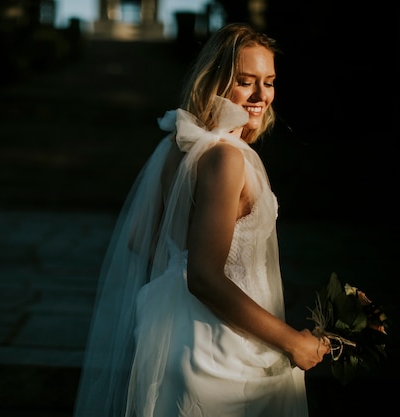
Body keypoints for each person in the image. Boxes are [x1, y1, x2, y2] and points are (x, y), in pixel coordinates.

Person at [73, 22, 329, 417]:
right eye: (246, 82)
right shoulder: (227, 157)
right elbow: (204, 276)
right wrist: (292, 342)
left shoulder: (179, 146)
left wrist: (178, 292)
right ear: (217, 82)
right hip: (224, 352)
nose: (262, 95)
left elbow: (141, 237)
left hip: (174, 336)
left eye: (270, 81)